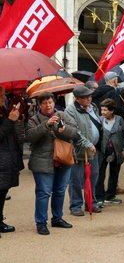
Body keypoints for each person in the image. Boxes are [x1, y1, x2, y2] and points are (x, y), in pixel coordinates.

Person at [26, 92, 87, 235]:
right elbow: (30, 137)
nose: (48, 105)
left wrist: (62, 129)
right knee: (44, 193)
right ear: (39, 105)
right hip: (43, 162)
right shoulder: (33, 120)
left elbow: (74, 133)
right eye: (44, 103)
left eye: (50, 102)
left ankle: (57, 218)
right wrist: (46, 125)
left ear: (54, 103)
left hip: (63, 159)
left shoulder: (62, 115)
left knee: (60, 191)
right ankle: (41, 223)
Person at [64, 85, 103, 216]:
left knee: (93, 177)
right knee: (76, 179)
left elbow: (98, 123)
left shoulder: (94, 107)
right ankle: (75, 205)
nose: (89, 99)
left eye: (90, 96)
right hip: (78, 150)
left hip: (94, 149)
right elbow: (74, 131)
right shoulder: (70, 110)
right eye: (85, 97)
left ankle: (91, 202)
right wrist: (86, 143)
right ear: (77, 99)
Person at [96, 98, 124, 205]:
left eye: (105, 110)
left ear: (112, 110)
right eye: (102, 110)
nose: (103, 112)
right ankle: (99, 197)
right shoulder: (99, 120)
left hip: (117, 151)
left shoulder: (119, 119)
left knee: (114, 173)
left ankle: (110, 195)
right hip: (102, 151)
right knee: (100, 174)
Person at [0, 99, 25, 236]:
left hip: (7, 157)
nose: (4, 96)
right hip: (3, 157)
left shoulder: (3, 108)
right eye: (1, 93)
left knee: (2, 191)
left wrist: (14, 118)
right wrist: (9, 120)